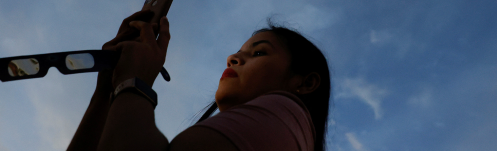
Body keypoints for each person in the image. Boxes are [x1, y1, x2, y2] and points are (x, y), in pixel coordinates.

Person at [67, 11, 331, 151]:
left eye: (259, 52)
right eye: (238, 51)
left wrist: (133, 81)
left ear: (306, 83)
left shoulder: (286, 112)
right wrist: (105, 92)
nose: (232, 57)